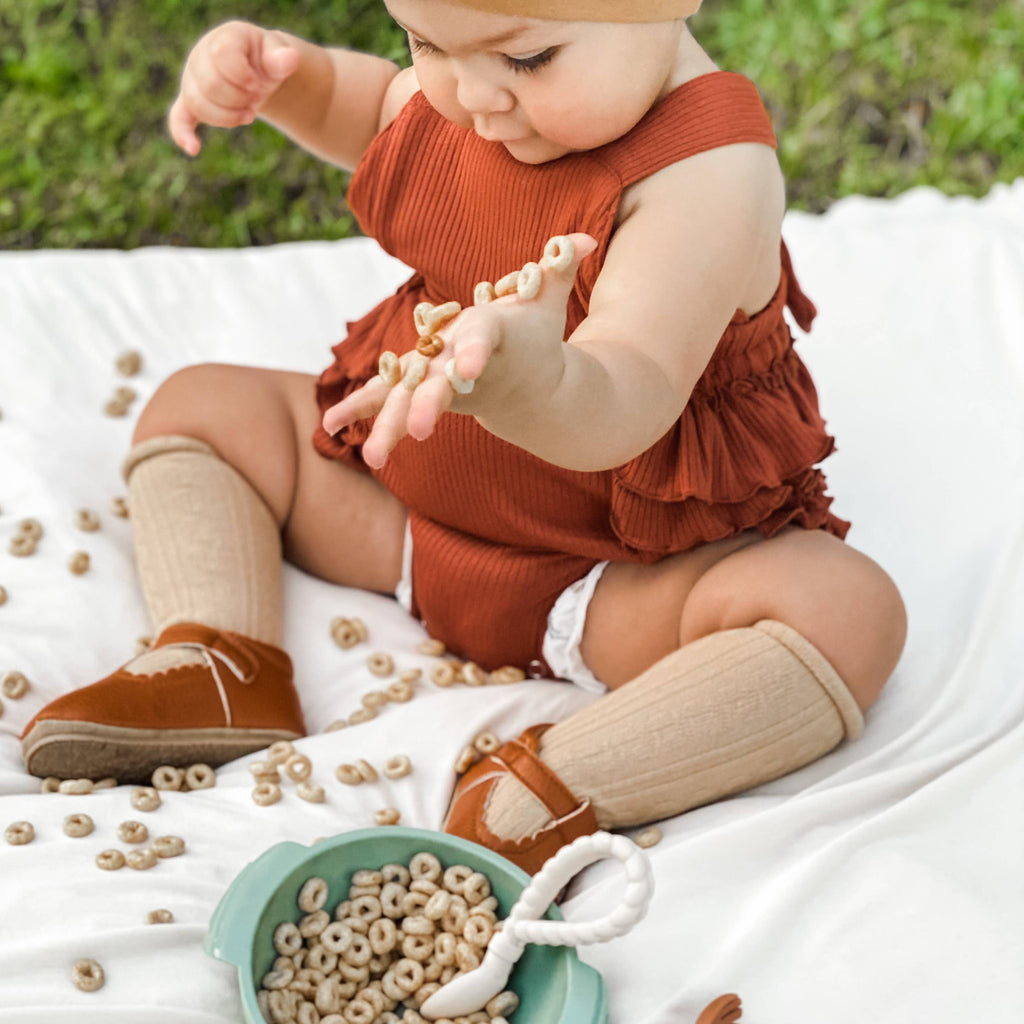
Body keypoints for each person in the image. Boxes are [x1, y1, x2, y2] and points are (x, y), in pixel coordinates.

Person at [22, 0, 906, 876]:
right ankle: (219, 655)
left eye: (527, 61)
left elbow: (628, 387)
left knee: (844, 613)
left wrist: (538, 382)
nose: (473, 96)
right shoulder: (471, 90)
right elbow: (378, 112)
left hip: (613, 578)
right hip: (406, 522)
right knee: (204, 404)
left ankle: (546, 789)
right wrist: (291, 83)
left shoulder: (707, 176)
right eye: (425, 41)